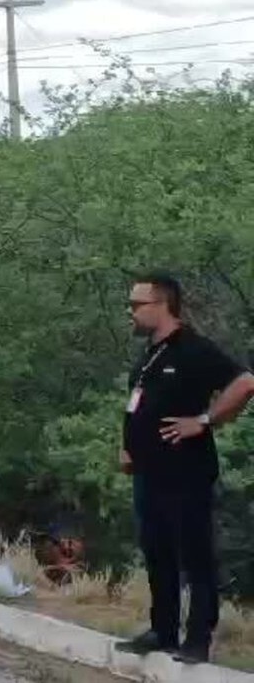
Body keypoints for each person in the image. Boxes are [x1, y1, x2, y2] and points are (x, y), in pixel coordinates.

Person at [115, 272, 254, 664]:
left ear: (162, 305)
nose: (131, 312)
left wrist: (205, 421)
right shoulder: (149, 355)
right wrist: (128, 447)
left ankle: (197, 639)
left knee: (194, 556)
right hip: (148, 472)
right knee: (156, 552)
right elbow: (138, 405)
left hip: (185, 472)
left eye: (136, 305)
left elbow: (244, 383)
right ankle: (163, 630)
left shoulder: (193, 349)